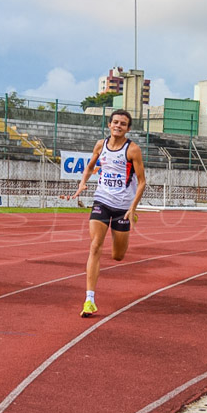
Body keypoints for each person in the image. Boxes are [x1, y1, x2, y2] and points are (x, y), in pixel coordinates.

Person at [66, 109, 147, 317]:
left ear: (128, 128)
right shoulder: (100, 145)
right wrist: (83, 183)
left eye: (123, 124)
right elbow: (90, 165)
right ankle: (89, 299)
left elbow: (142, 182)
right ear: (109, 125)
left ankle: (129, 220)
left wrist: (133, 207)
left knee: (118, 256)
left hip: (123, 207)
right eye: (115, 122)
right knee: (94, 246)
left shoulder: (133, 150)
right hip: (101, 200)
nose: (118, 126)